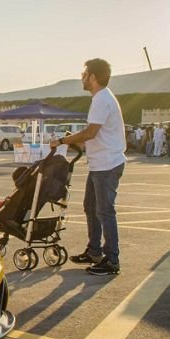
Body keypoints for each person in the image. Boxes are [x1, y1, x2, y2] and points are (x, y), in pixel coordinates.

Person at [50, 58, 125, 276]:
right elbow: (94, 135)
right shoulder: (101, 98)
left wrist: (63, 141)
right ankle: (94, 251)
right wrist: (74, 141)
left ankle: (112, 260)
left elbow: (91, 132)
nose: (82, 78)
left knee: (105, 211)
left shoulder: (102, 99)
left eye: (84, 74)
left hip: (107, 165)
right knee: (91, 207)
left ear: (92, 77)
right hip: (100, 163)